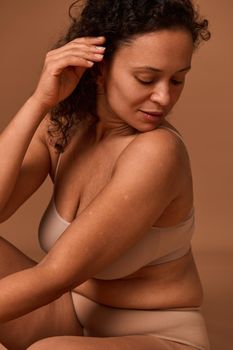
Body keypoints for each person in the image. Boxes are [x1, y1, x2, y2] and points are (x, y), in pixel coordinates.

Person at [0, 0, 211, 349]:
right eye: (146, 78)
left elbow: (54, 276)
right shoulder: (64, 127)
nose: (163, 97)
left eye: (177, 80)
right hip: (70, 317)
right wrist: (39, 101)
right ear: (99, 68)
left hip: (158, 336)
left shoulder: (158, 153)